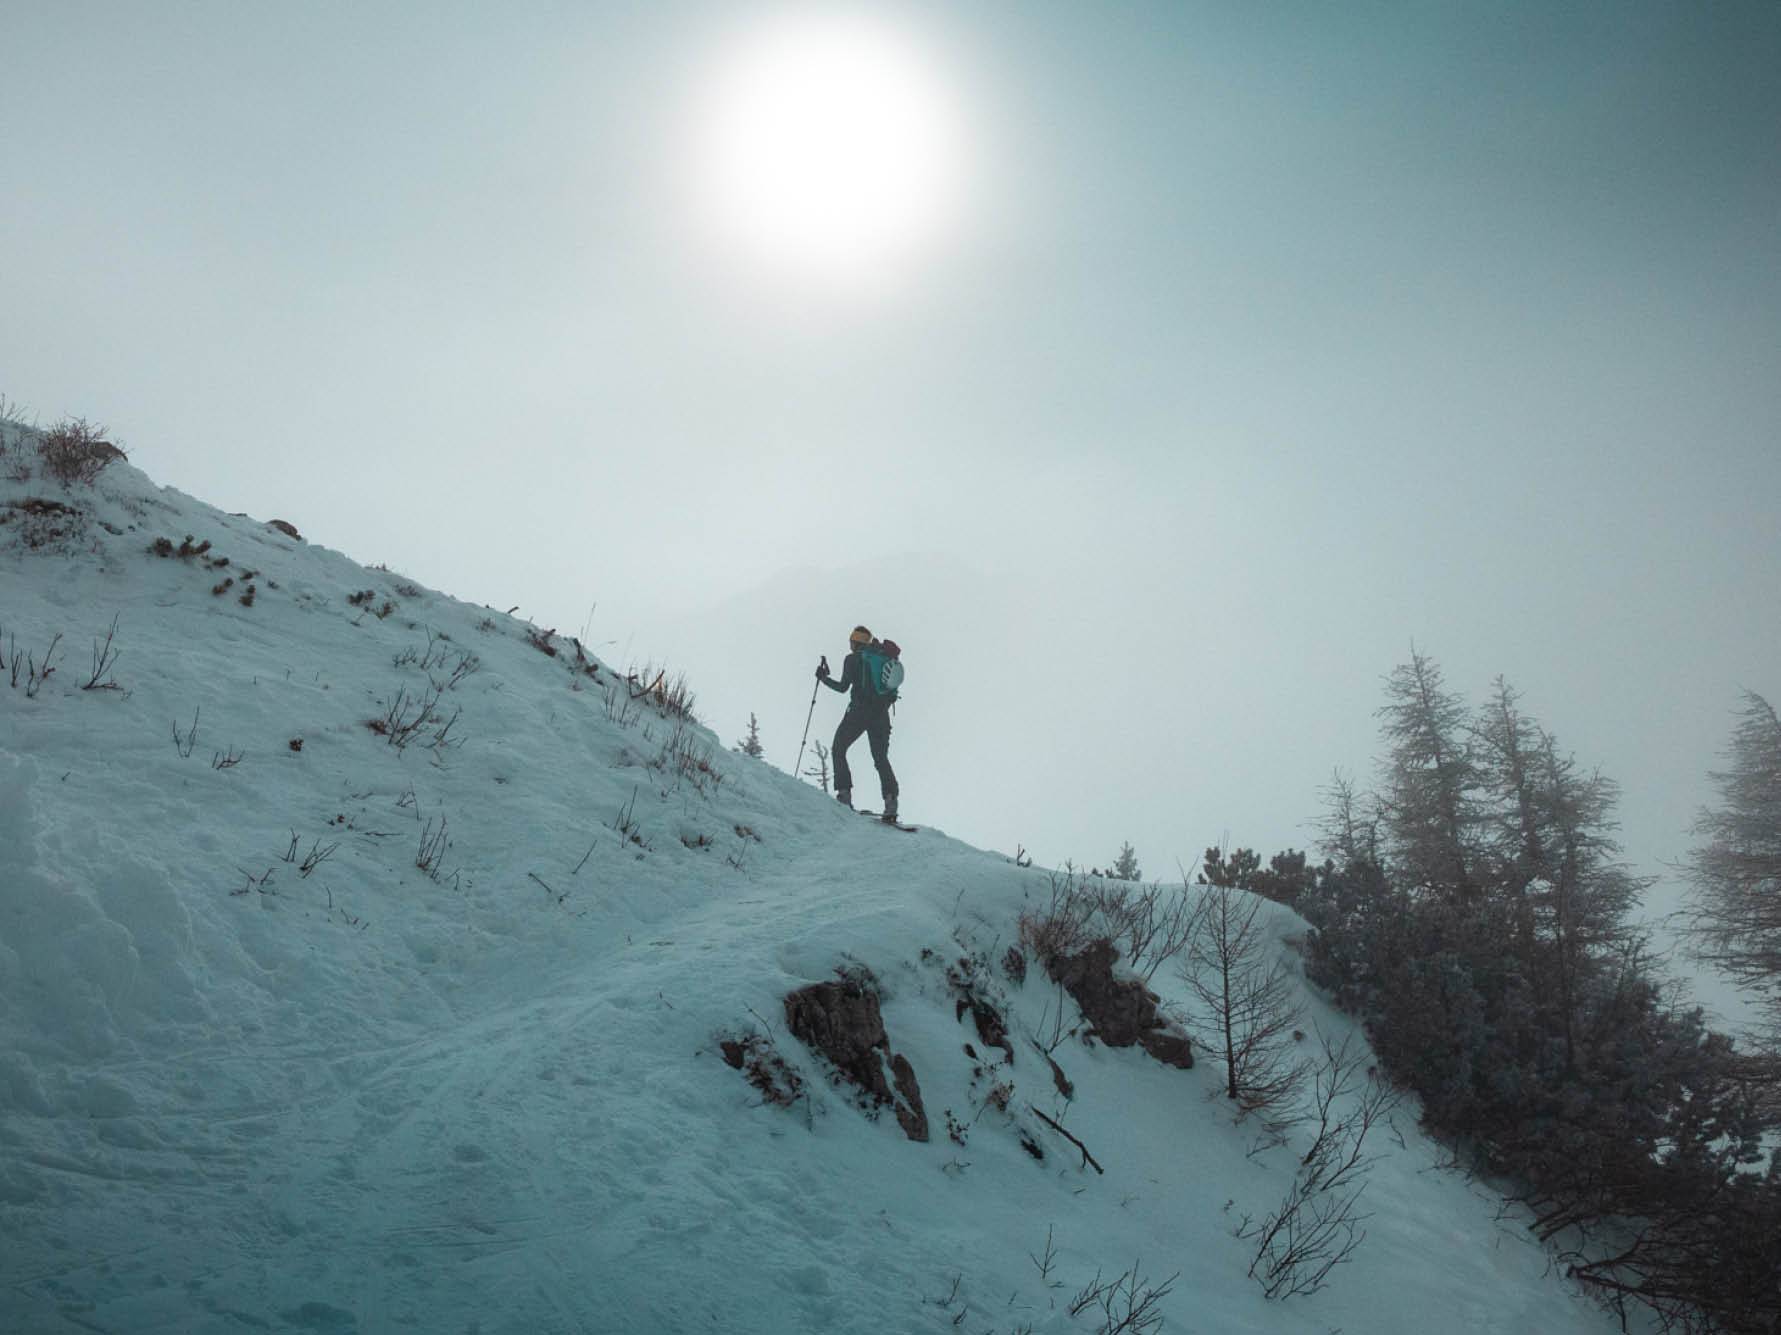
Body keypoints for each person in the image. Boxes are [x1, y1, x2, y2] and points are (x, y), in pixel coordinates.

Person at [817, 625, 899, 823]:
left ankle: (844, 795)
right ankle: (891, 801)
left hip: (859, 712)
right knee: (880, 758)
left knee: (839, 748)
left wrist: (823, 678)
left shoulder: (852, 659)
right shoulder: (882, 658)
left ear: (855, 642)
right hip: (881, 714)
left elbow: (843, 687)